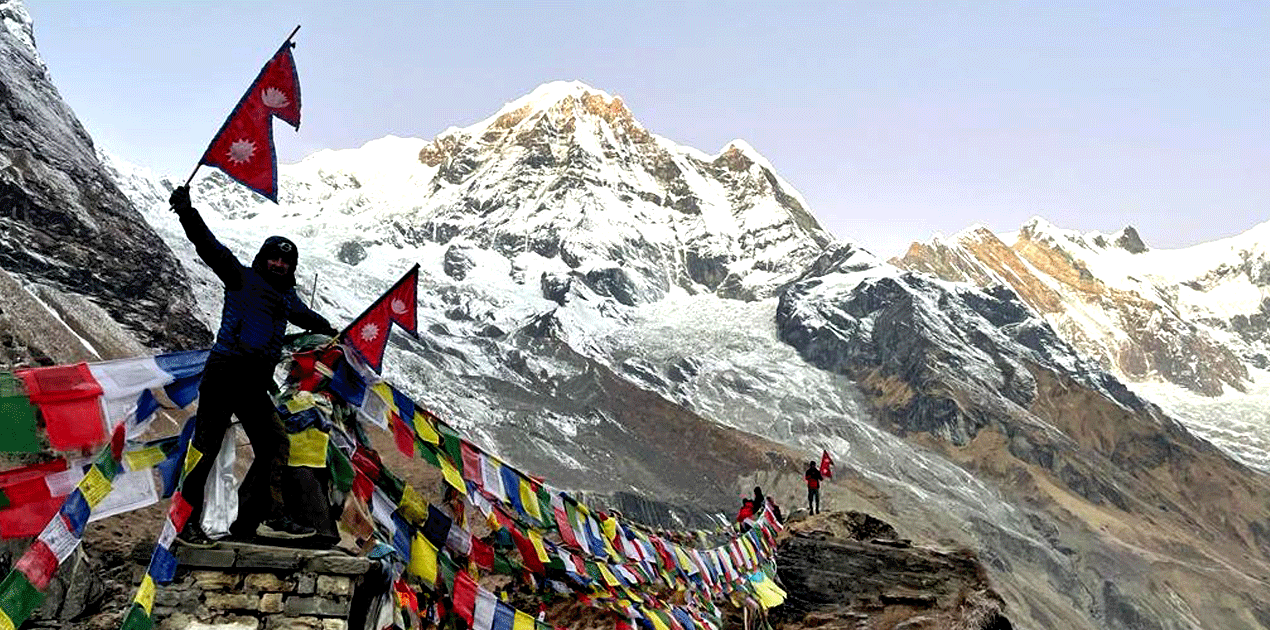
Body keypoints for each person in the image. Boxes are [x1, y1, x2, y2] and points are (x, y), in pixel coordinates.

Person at [169, 185, 339, 548]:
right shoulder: (241, 278)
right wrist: (187, 212)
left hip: (253, 384)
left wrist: (330, 330)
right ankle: (184, 524)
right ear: (263, 258)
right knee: (205, 447)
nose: (279, 264)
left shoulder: (286, 297)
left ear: (291, 267)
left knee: (275, 444)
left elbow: (305, 316)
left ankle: (260, 520)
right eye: (274, 258)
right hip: (225, 372)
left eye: (286, 262)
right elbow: (209, 247)